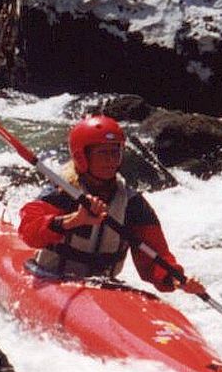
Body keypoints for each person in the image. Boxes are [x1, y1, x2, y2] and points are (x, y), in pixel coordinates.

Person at [17, 114, 208, 295]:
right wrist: (73, 221)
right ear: (82, 157)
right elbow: (28, 232)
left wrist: (174, 279)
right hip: (51, 276)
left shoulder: (132, 203)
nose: (111, 160)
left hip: (102, 287)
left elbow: (154, 255)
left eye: (115, 152)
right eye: (103, 153)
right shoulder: (62, 193)